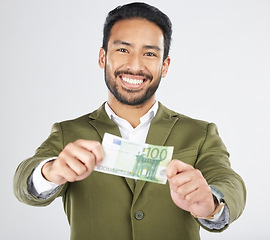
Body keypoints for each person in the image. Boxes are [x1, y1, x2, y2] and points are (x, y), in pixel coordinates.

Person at [13, 2, 246, 240]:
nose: (135, 66)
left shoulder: (199, 133)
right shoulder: (69, 132)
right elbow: (23, 181)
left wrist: (212, 202)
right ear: (103, 57)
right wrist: (50, 171)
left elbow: (229, 180)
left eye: (149, 53)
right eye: (123, 50)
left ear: (164, 66)